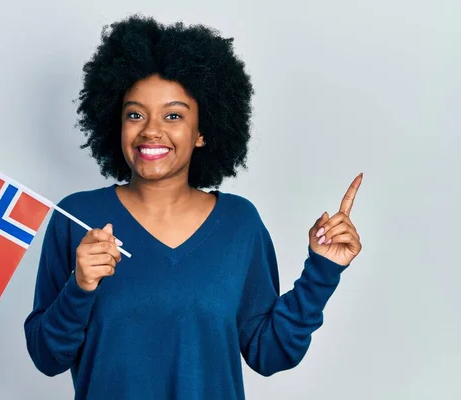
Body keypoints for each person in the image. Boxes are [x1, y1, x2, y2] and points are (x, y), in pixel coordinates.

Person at [23, 14, 363, 400]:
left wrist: (323, 270)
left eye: (173, 115)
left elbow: (269, 353)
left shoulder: (240, 223)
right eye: (135, 114)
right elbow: (46, 356)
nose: (151, 130)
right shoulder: (76, 219)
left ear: (202, 132)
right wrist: (79, 288)